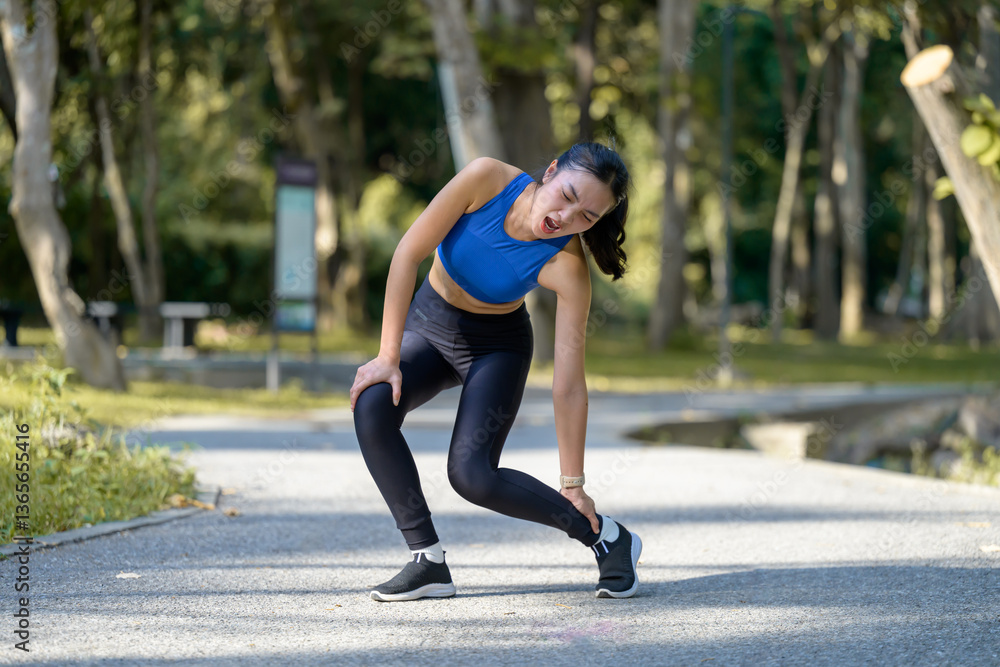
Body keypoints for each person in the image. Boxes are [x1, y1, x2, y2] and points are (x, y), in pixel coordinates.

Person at [351, 142, 641, 602]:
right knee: (372, 404)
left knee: (472, 476)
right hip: (429, 325)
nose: (566, 217)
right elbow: (407, 254)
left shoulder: (566, 266)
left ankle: (607, 537)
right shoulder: (486, 180)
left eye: (587, 216)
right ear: (550, 171)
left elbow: (568, 386)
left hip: (497, 348)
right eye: (567, 195)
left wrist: (574, 485)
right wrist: (387, 357)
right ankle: (427, 560)